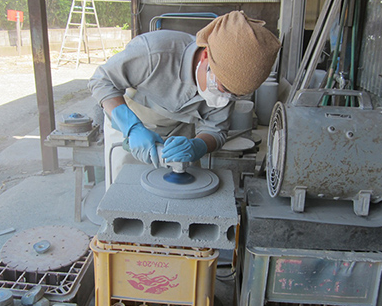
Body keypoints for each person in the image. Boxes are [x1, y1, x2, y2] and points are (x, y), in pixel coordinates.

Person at [89, 10, 281, 189]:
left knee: (182, 195)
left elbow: (216, 131)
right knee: (126, 192)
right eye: (223, 88)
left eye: (235, 95)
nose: (225, 99)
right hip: (130, 126)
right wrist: (133, 128)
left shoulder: (228, 86)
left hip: (181, 136)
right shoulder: (155, 53)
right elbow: (101, 81)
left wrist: (197, 146)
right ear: (206, 56)